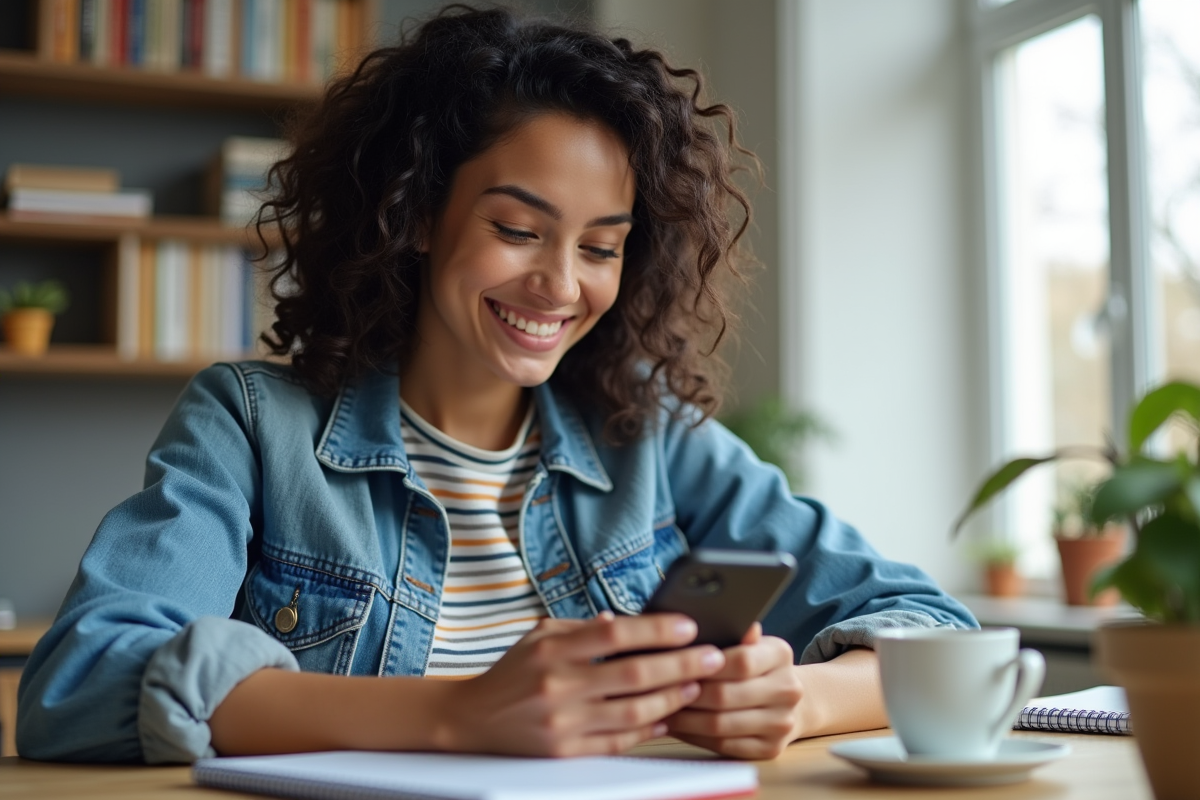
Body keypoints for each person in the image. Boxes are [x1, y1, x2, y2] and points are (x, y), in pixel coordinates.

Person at [17, 5, 975, 765]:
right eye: (519, 230)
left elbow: (940, 633)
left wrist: (796, 700)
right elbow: (82, 687)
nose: (561, 285)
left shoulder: (651, 433)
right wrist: (455, 715)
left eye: (601, 246)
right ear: (417, 211)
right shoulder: (255, 424)